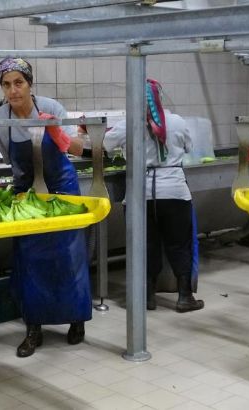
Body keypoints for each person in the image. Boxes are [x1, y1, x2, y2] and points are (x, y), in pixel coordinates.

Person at [0, 57, 91, 357]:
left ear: (30, 83)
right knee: (29, 262)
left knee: (69, 258)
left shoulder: (51, 108)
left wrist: (57, 134)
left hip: (61, 191)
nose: (13, 90)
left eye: (19, 83)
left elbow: (74, 147)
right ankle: (33, 329)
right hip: (26, 195)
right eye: (6, 85)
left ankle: (77, 319)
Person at [102, 79, 204, 313]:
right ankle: (185, 297)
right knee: (179, 244)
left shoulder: (128, 124)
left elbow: (104, 144)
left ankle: (147, 297)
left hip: (140, 194)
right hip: (175, 192)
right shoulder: (177, 121)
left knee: (145, 246)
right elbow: (188, 147)